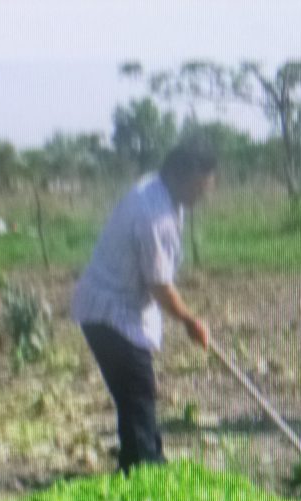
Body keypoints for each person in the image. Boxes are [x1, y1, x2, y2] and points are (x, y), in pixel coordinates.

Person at [71, 137, 215, 473]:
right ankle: (143, 471)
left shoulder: (155, 191)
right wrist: (190, 320)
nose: (205, 193)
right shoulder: (154, 214)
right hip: (111, 312)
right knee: (137, 392)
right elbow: (159, 284)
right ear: (181, 175)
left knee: (135, 393)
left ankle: (145, 461)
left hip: (113, 308)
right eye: (201, 185)